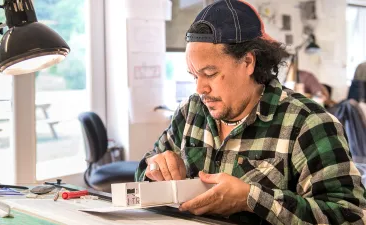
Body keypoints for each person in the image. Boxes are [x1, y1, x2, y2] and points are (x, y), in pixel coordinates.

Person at [135, 1, 366, 224]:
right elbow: (143, 173)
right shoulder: (190, 112)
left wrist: (251, 199)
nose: (199, 89)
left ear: (248, 62)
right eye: (194, 75)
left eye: (210, 73)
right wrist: (154, 169)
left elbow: (350, 216)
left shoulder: (308, 123)